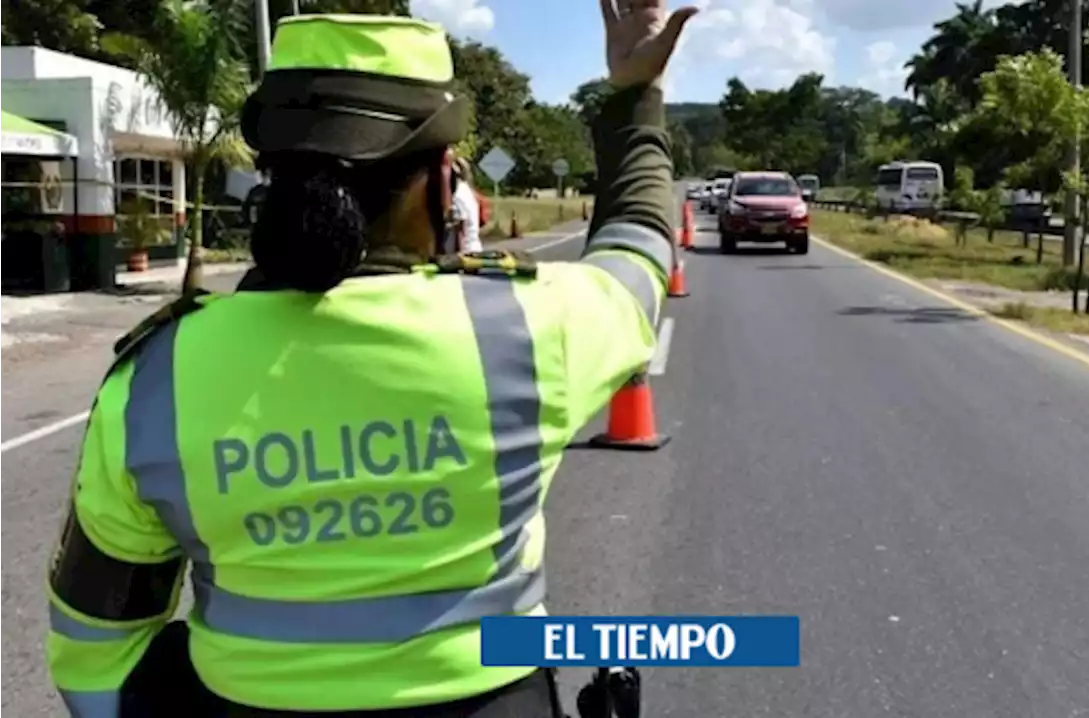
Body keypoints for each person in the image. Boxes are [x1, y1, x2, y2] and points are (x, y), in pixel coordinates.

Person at [44, 1, 696, 716]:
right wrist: (637, 96)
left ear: (268, 178)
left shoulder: (155, 380)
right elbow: (638, 253)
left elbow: (95, 644)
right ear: (446, 182)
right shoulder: (530, 328)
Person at [449, 154, 484, 254]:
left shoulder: (458, 195)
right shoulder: (468, 191)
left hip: (466, 250)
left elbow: (460, 227)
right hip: (475, 246)